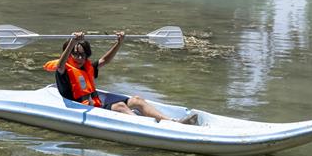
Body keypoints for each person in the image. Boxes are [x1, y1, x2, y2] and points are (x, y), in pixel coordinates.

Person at [43, 31, 197, 125]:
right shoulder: (63, 70)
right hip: (79, 107)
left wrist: (119, 43)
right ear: (69, 54)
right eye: (75, 53)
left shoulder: (86, 68)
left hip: (94, 104)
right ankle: (150, 127)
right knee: (121, 107)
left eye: (82, 54)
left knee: (137, 100)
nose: (78, 57)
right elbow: (61, 63)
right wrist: (72, 41)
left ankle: (172, 122)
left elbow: (105, 60)